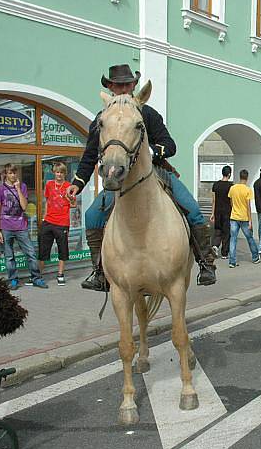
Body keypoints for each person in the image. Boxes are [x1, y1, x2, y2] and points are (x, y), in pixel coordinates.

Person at [67, 64, 216, 286]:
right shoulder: (102, 119)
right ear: (110, 88)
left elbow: (169, 145)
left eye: (128, 84)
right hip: (118, 178)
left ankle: (205, 264)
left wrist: (151, 151)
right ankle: (100, 271)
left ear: (134, 86)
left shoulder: (147, 113)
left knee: (193, 209)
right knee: (92, 217)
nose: (124, 89)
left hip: (154, 171)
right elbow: (90, 155)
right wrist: (77, 184)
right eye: (118, 85)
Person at [0, 164, 48, 290]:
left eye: (14, 173)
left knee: (31, 253)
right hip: (6, 227)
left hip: (21, 226)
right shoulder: (0, 190)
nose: (13, 175)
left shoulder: (22, 186)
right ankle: (13, 280)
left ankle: (36, 278)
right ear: (6, 174)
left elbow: (24, 206)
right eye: (10, 173)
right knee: (9, 256)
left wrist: (17, 189)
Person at [39, 161, 76, 286]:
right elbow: (47, 201)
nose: (59, 175)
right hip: (48, 221)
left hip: (62, 223)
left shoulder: (68, 186)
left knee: (62, 250)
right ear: (54, 173)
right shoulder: (49, 184)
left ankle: (60, 274)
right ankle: (38, 274)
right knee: (43, 249)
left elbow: (74, 204)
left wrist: (70, 198)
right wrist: (44, 218)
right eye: (57, 172)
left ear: (65, 173)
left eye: (61, 172)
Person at [81, 189, 115, 291]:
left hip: (146, 182)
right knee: (92, 215)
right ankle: (100, 274)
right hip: (115, 184)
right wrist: (77, 184)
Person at [228, 169, 261, 267]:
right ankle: (255, 257)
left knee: (233, 239)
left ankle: (232, 261)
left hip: (234, 216)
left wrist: (234, 209)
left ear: (240, 176)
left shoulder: (233, 188)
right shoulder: (248, 190)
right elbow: (248, 207)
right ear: (247, 178)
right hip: (244, 218)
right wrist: (250, 221)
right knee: (249, 238)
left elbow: (231, 202)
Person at [210, 165, 233, 259]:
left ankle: (215, 245)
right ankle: (224, 253)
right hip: (227, 211)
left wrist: (212, 213)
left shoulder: (215, 185)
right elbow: (231, 201)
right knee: (226, 233)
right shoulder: (231, 186)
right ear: (229, 174)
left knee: (217, 230)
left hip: (217, 211)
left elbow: (214, 200)